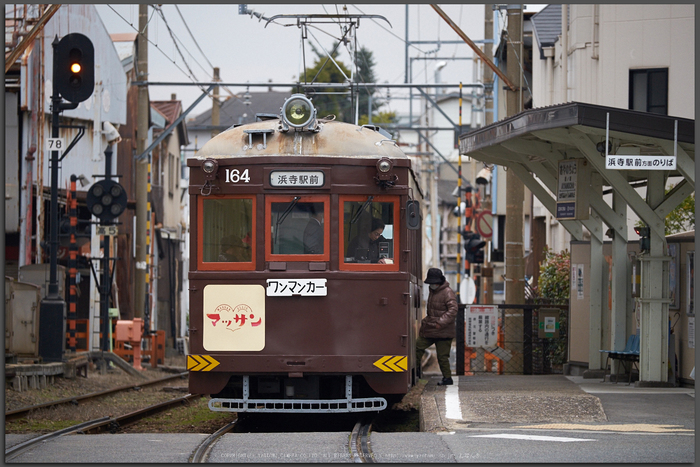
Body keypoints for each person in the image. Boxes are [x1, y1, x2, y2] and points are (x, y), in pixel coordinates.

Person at [415, 268, 458, 385]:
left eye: (434, 282)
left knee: (442, 357)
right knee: (417, 347)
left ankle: (447, 378)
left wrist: (441, 322)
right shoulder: (433, 291)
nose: (432, 285)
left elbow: (453, 309)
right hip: (432, 328)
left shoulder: (447, 292)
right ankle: (416, 371)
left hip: (443, 329)